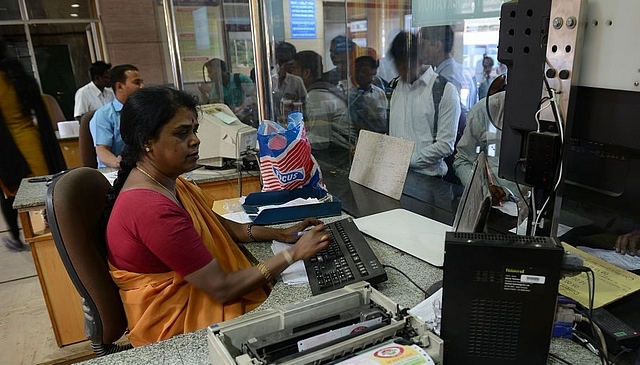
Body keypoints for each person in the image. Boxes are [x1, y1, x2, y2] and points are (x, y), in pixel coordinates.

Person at [102, 85, 330, 346]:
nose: (195, 140)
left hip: (198, 300)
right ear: (147, 142)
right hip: (179, 328)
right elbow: (223, 288)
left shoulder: (167, 183)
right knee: (314, 319)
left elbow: (225, 228)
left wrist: (281, 234)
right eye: (182, 133)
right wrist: (293, 254)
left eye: (194, 130)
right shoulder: (150, 207)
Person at [0, 37, 66, 251]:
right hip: (34, 141)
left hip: (8, 149)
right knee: (42, 191)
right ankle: (57, 232)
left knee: (10, 195)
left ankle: (23, 239)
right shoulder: (18, 76)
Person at [388, 31, 460, 178]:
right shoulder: (395, 88)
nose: (402, 72)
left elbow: (445, 145)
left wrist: (408, 161)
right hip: (395, 176)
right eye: (398, 66)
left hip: (429, 180)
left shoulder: (444, 90)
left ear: (420, 59)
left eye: (407, 66)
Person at [453, 90, 519, 205]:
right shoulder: (484, 110)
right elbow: (462, 160)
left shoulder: (555, 115)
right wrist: (481, 188)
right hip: (496, 204)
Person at [290, 50, 354, 169]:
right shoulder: (324, 88)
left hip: (341, 159)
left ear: (306, 72)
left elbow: (320, 141)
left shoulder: (316, 95)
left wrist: (290, 140)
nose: (292, 73)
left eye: (295, 69)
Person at [419, 25, 477, 138]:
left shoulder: (442, 81)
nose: (421, 50)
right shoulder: (465, 72)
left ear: (437, 45)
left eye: (423, 44)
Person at [89, 64, 144, 169]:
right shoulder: (104, 115)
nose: (142, 87)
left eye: (142, 82)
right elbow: (102, 151)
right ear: (119, 86)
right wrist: (118, 163)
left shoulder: (146, 111)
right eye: (137, 83)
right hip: (115, 172)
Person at [198, 58, 257, 127]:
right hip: (232, 122)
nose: (209, 76)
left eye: (210, 72)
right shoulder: (215, 88)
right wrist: (203, 92)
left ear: (219, 70)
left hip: (249, 119)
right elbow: (213, 107)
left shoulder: (241, 79)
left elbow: (254, 97)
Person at [346, 55, 389, 134]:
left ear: (374, 72)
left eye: (364, 72)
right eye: (357, 71)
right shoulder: (349, 95)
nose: (360, 75)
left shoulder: (379, 93)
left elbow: (383, 118)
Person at [272, 42, 307, 124]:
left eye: (289, 64)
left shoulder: (296, 81)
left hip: (292, 122)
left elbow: (306, 103)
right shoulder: (269, 80)